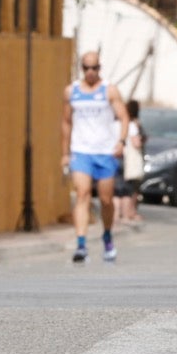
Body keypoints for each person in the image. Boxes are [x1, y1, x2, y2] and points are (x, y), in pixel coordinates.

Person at [61, 52, 130, 264]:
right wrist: (65, 153)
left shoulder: (109, 90)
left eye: (94, 68)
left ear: (100, 68)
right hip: (81, 151)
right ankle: (81, 244)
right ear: (82, 68)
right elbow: (66, 122)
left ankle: (107, 236)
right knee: (82, 194)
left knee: (106, 200)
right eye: (86, 68)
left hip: (105, 151)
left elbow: (124, 117)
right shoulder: (71, 91)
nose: (90, 72)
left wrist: (121, 141)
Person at [114, 99, 145, 230]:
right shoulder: (130, 125)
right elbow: (136, 143)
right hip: (125, 159)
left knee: (114, 191)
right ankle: (126, 216)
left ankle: (115, 216)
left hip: (112, 157)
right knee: (126, 190)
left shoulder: (112, 124)